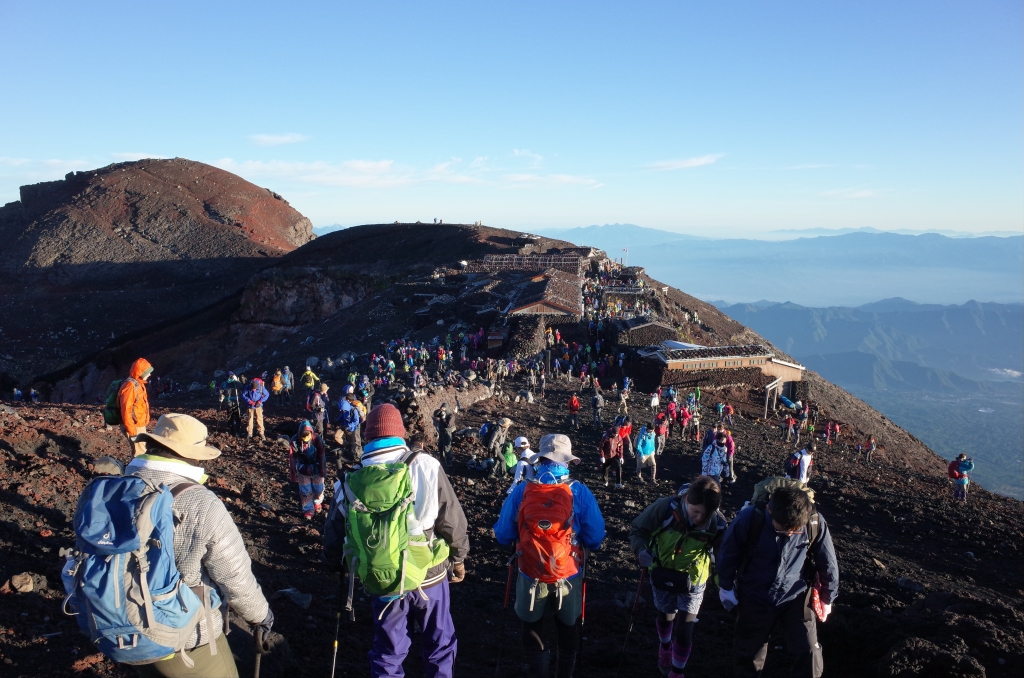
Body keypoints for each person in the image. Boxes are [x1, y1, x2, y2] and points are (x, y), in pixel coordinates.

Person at [323, 403, 469, 678]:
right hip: (429, 576)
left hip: (382, 577)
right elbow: (452, 521)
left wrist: (334, 564)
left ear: (368, 436)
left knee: (388, 652)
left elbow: (334, 534)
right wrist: (458, 559)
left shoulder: (349, 479)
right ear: (399, 432)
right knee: (439, 645)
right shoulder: (425, 464)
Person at [127, 414, 273, 676]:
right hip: (184, 634)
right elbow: (234, 576)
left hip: (122, 626)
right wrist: (260, 616)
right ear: (191, 456)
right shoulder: (200, 503)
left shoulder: (113, 489)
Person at [493, 434, 606, 678]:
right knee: (567, 627)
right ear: (566, 460)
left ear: (541, 458)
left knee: (532, 626)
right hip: (568, 572)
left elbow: (502, 534)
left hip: (530, 571)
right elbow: (596, 538)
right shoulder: (579, 491)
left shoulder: (523, 490)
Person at [717, 486, 840, 678]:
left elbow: (828, 561)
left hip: (795, 596)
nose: (789, 534)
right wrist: (725, 587)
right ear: (770, 510)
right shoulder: (749, 519)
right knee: (749, 653)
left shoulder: (814, 522)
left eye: (794, 531)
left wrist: (827, 597)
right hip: (754, 595)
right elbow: (728, 554)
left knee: (809, 652)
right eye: (782, 529)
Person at [629, 477, 727, 678]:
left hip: (694, 579)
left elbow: (722, 558)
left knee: (684, 630)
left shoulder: (717, 524)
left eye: (705, 514)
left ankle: (676, 672)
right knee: (665, 617)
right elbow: (638, 530)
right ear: (686, 501)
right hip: (662, 572)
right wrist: (641, 551)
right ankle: (665, 647)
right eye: (696, 511)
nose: (699, 518)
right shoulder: (664, 508)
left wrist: (724, 587)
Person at [288, 420, 327, 519]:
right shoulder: (294, 441)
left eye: (307, 437)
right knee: (305, 491)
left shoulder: (317, 439)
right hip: (303, 469)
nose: (305, 440)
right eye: (303, 437)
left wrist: (322, 470)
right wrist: (293, 474)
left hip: (316, 468)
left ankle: (317, 502)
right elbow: (292, 458)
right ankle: (308, 510)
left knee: (318, 489)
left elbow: (322, 454)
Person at [118, 358, 154, 458]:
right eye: (148, 372)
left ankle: (133, 471)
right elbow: (126, 410)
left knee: (139, 451)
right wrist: (132, 431)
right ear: (141, 372)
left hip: (137, 425)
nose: (150, 374)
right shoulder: (130, 386)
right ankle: (135, 473)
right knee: (140, 454)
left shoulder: (138, 384)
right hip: (134, 426)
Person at [336, 384, 363, 463]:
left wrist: (349, 426)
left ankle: (353, 456)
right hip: (345, 425)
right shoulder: (345, 407)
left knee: (352, 442)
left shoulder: (353, 410)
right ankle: (347, 448)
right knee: (337, 437)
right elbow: (343, 415)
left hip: (351, 428)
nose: (342, 411)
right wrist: (338, 420)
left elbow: (356, 421)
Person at [242, 377, 269, 441]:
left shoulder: (261, 388)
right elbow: (243, 395)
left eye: (255, 389)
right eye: (253, 389)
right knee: (250, 419)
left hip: (258, 406)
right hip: (250, 406)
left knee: (259, 418)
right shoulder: (248, 387)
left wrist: (260, 401)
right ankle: (250, 433)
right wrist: (249, 401)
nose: (253, 390)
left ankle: (261, 432)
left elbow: (267, 394)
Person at [600, 423, 625, 488]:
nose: (615, 435)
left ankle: (618, 483)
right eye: (614, 434)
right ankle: (605, 482)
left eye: (616, 434)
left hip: (615, 455)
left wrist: (621, 457)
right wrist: (602, 456)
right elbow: (601, 447)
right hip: (607, 455)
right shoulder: (606, 437)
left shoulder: (619, 438)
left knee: (619, 467)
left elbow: (620, 447)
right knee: (605, 468)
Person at [433, 402, 455, 467]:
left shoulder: (451, 416)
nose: (443, 409)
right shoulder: (442, 413)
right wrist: (440, 410)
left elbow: (448, 425)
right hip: (441, 433)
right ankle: (442, 460)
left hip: (447, 433)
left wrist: (443, 418)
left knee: (447, 448)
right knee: (440, 447)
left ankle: (449, 462)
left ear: (447, 408)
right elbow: (435, 414)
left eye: (444, 408)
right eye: (442, 408)